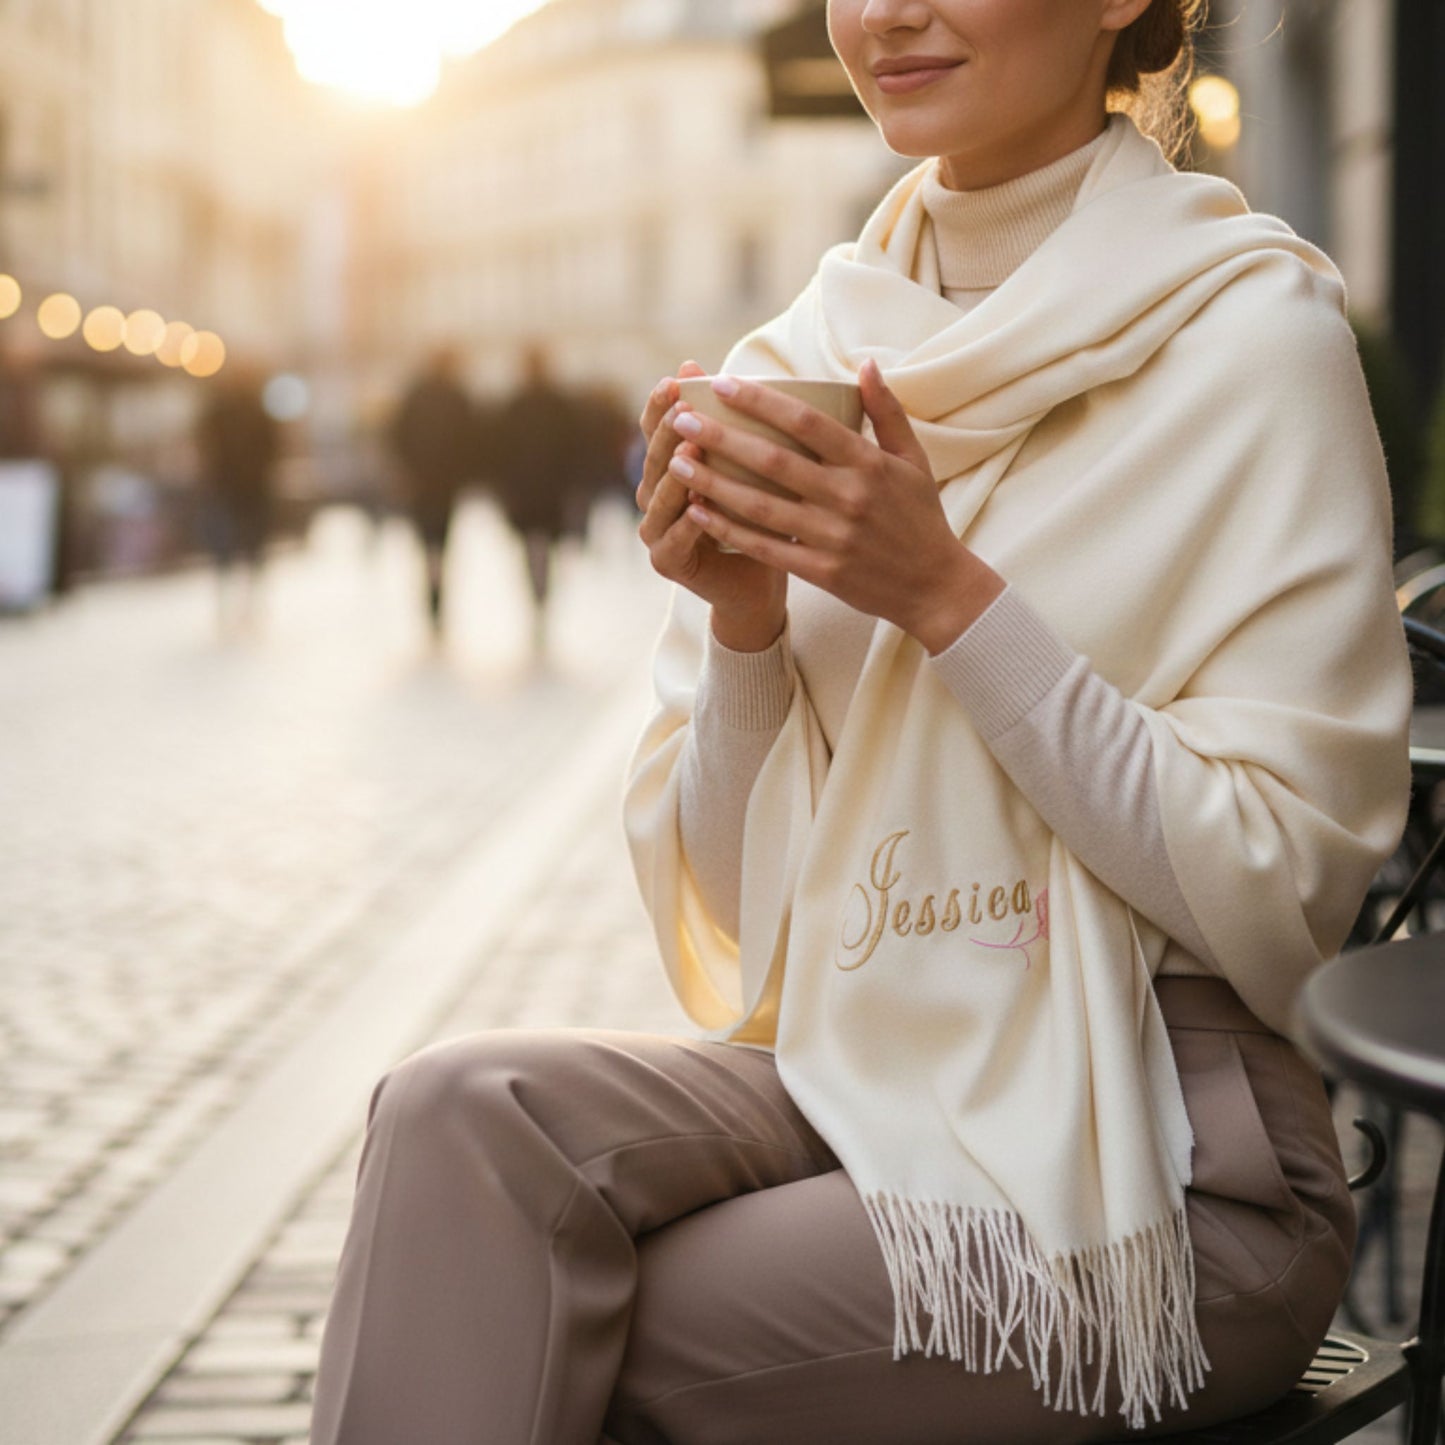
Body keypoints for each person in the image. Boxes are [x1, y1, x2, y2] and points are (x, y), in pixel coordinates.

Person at [308, 2, 1413, 1442]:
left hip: (1177, 1159)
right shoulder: (802, 353)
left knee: (523, 1310)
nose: (886, 12)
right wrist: (745, 628)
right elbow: (738, 918)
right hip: (847, 1072)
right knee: (456, 1110)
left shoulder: (1252, 336)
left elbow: (1277, 889)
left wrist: (948, 599)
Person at [490, 345, 589, 659]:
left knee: (531, 548)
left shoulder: (514, 404)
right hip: (551, 490)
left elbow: (497, 450)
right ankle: (543, 598)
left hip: (526, 491)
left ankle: (537, 596)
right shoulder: (559, 403)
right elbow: (576, 448)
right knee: (546, 547)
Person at [390, 346, 477, 636]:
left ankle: (432, 588)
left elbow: (397, 434)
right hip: (444, 482)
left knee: (427, 538)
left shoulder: (417, 396)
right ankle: (437, 588)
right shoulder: (456, 396)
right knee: (442, 538)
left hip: (422, 482)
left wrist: (406, 469)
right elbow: (471, 438)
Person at [196, 364, 278, 636]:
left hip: (227, 487)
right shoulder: (258, 411)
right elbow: (275, 447)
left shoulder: (219, 409)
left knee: (227, 548)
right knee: (250, 547)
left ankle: (231, 603)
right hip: (249, 488)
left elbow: (204, 442)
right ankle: (247, 603)